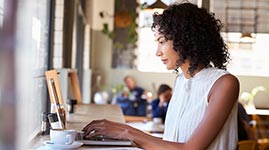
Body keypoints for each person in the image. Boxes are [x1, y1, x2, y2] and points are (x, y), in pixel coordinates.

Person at [83, 2, 240, 149]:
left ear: (184, 38)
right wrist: (118, 132)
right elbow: (170, 144)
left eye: (162, 41)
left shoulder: (224, 83)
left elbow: (190, 148)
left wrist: (125, 131)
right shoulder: (180, 81)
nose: (158, 52)